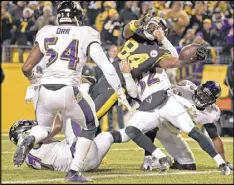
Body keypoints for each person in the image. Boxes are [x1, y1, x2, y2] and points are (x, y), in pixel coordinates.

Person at [13, 1, 131, 183]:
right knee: (89, 125)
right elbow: (107, 67)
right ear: (77, 16)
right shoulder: (86, 32)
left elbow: (27, 67)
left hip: (45, 90)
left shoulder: (46, 31)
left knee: (44, 128)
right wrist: (120, 92)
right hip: (68, 88)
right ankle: (74, 172)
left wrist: (35, 82)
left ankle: (30, 139)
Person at [141, 80, 233, 172]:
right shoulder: (186, 89)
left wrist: (224, 161)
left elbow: (214, 137)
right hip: (160, 122)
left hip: (173, 131)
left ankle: (159, 160)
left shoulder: (210, 113)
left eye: (206, 96)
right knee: (153, 118)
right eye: (201, 92)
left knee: (188, 166)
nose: (201, 96)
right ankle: (148, 158)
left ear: (212, 101)